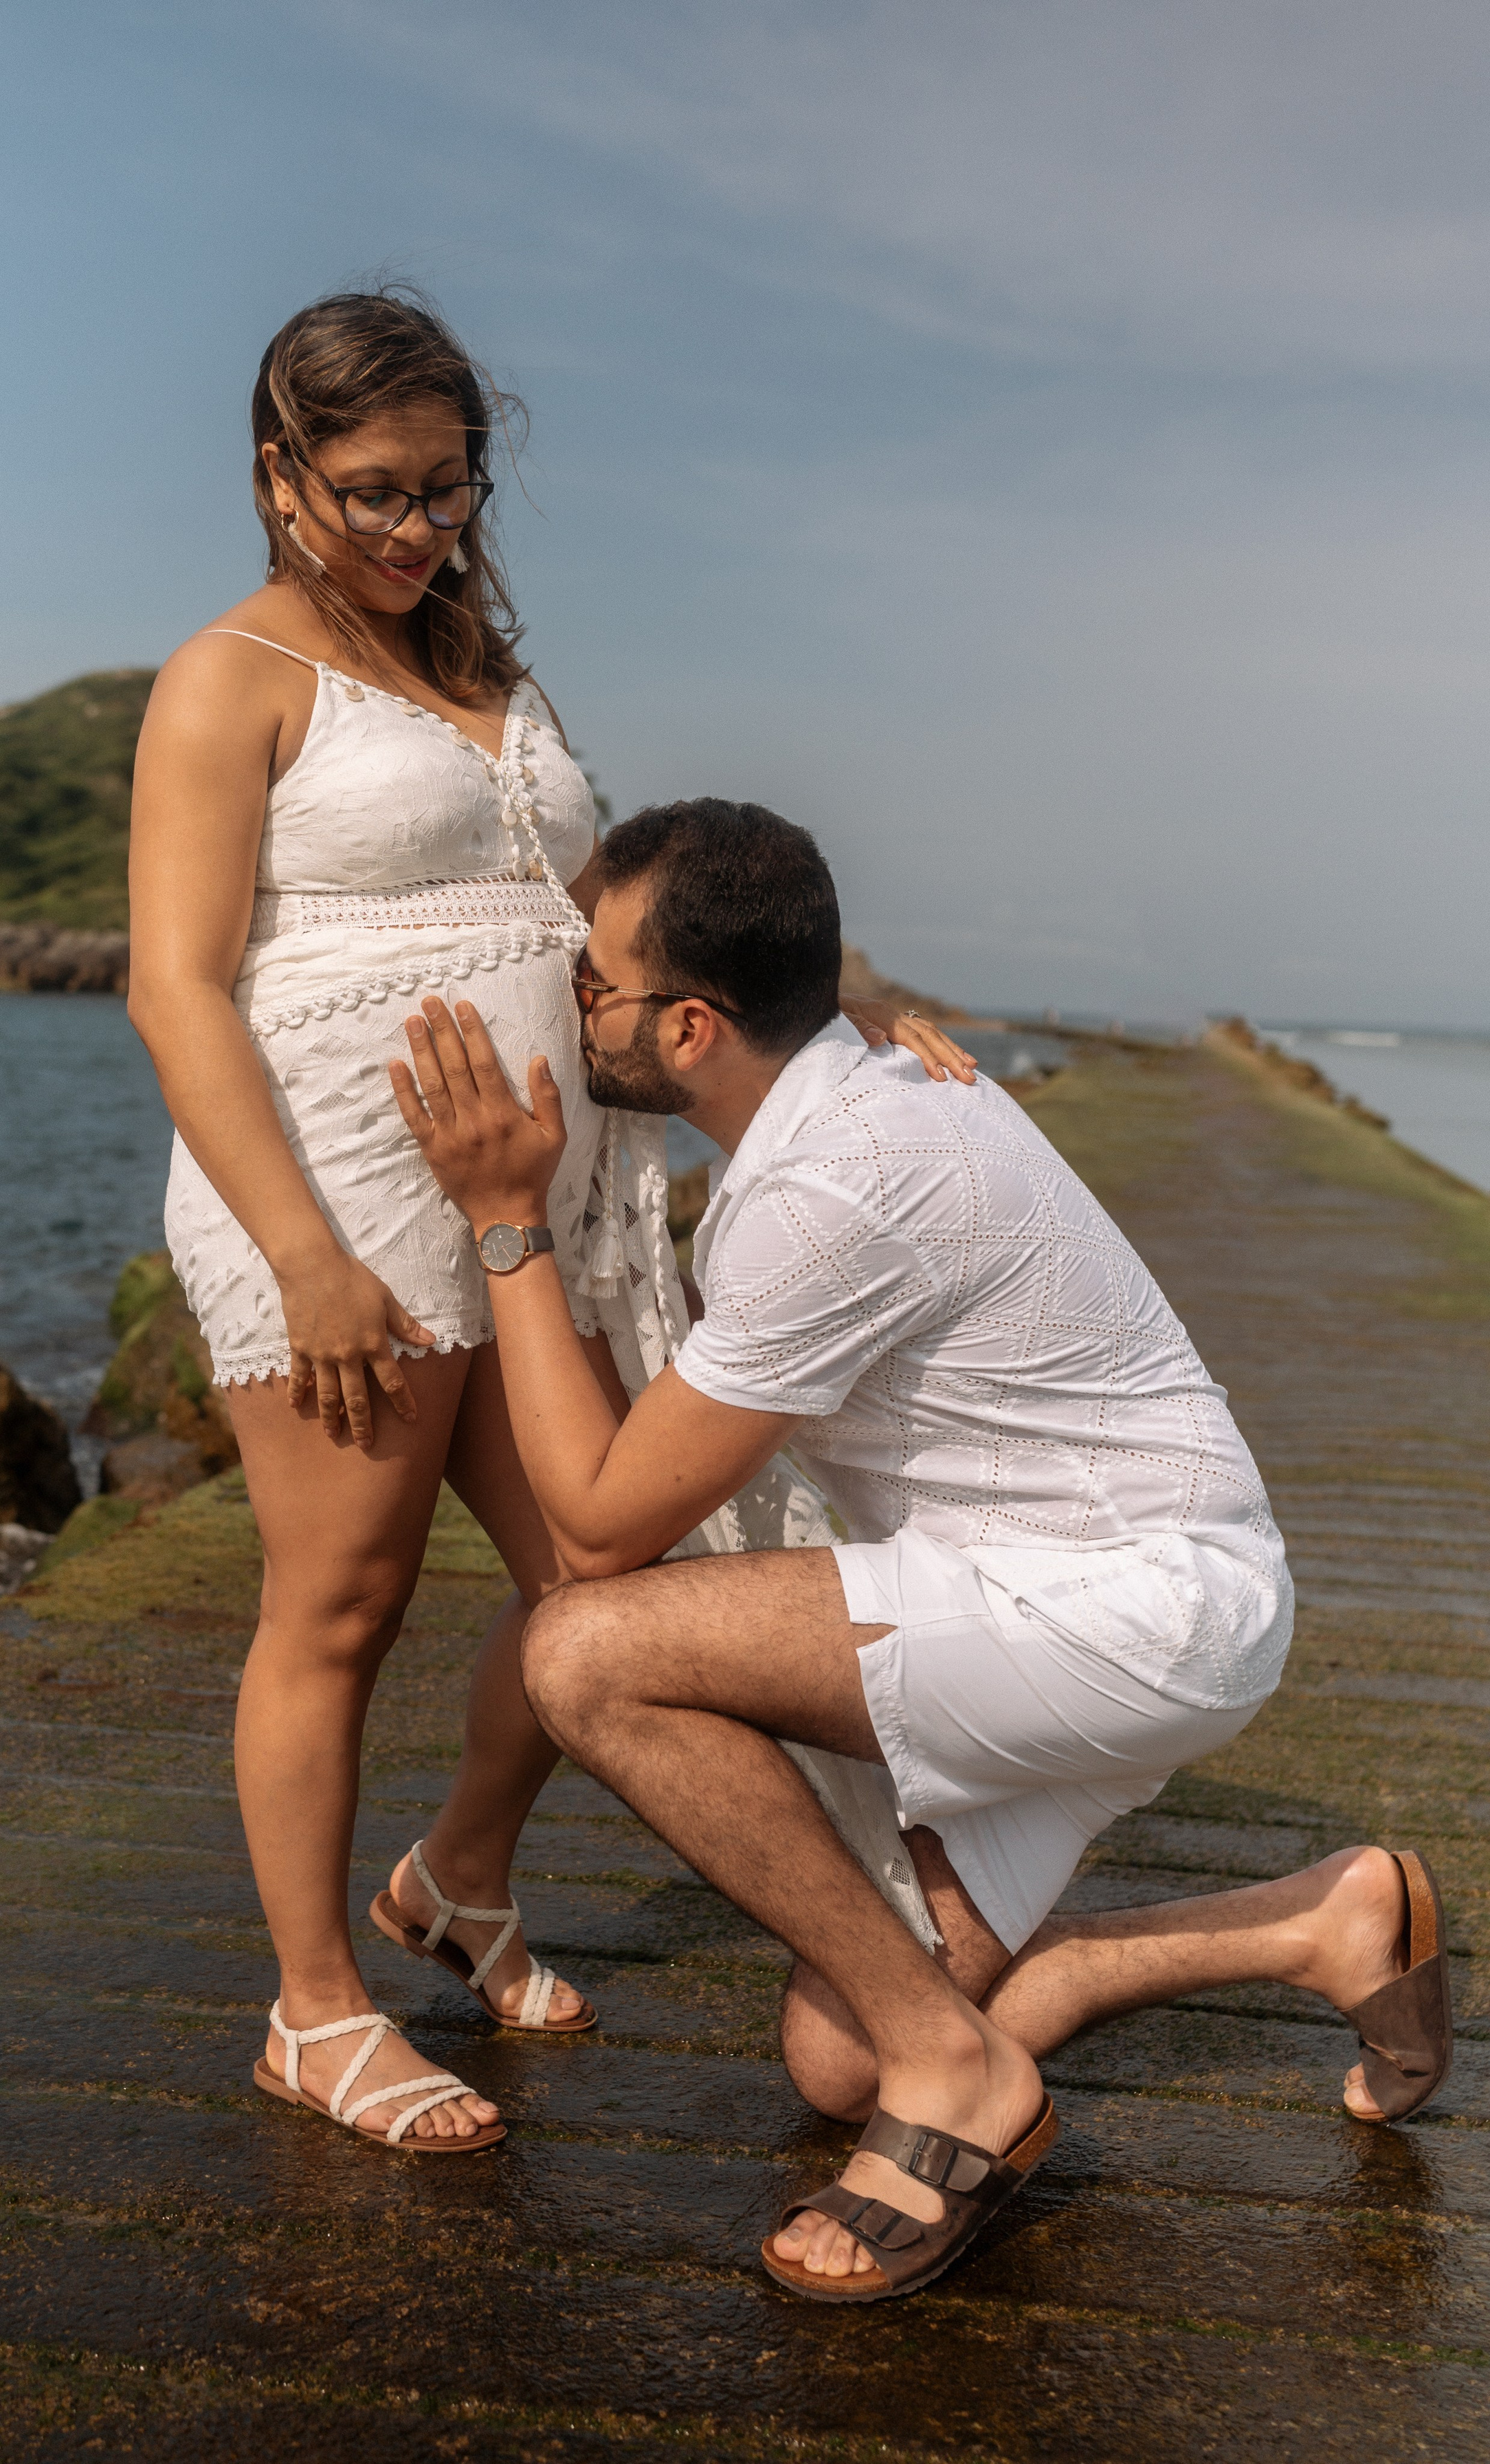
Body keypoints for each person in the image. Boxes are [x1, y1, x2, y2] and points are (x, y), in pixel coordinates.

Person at [387, 796, 1454, 2288]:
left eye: (588, 983)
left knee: (586, 1652)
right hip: (1090, 1589)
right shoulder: (846, 1090)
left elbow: (598, 1520)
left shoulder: (834, 1183)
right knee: (834, 2057)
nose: (569, 1002)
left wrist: (506, 1219)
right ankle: (1311, 1920)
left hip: (1122, 1609)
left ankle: (961, 2081)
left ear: (692, 1026)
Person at [126, 292, 975, 2153]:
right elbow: (178, 989)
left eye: (448, 488)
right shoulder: (230, 677)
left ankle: (457, 1876)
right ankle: (314, 2010)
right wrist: (305, 1255)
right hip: (338, 1195)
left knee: (603, 1585)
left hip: (538, 1201)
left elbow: (617, 910)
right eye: (371, 494)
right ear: (279, 480)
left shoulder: (496, 673)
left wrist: (838, 1003)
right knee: (340, 1600)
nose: (418, 530)